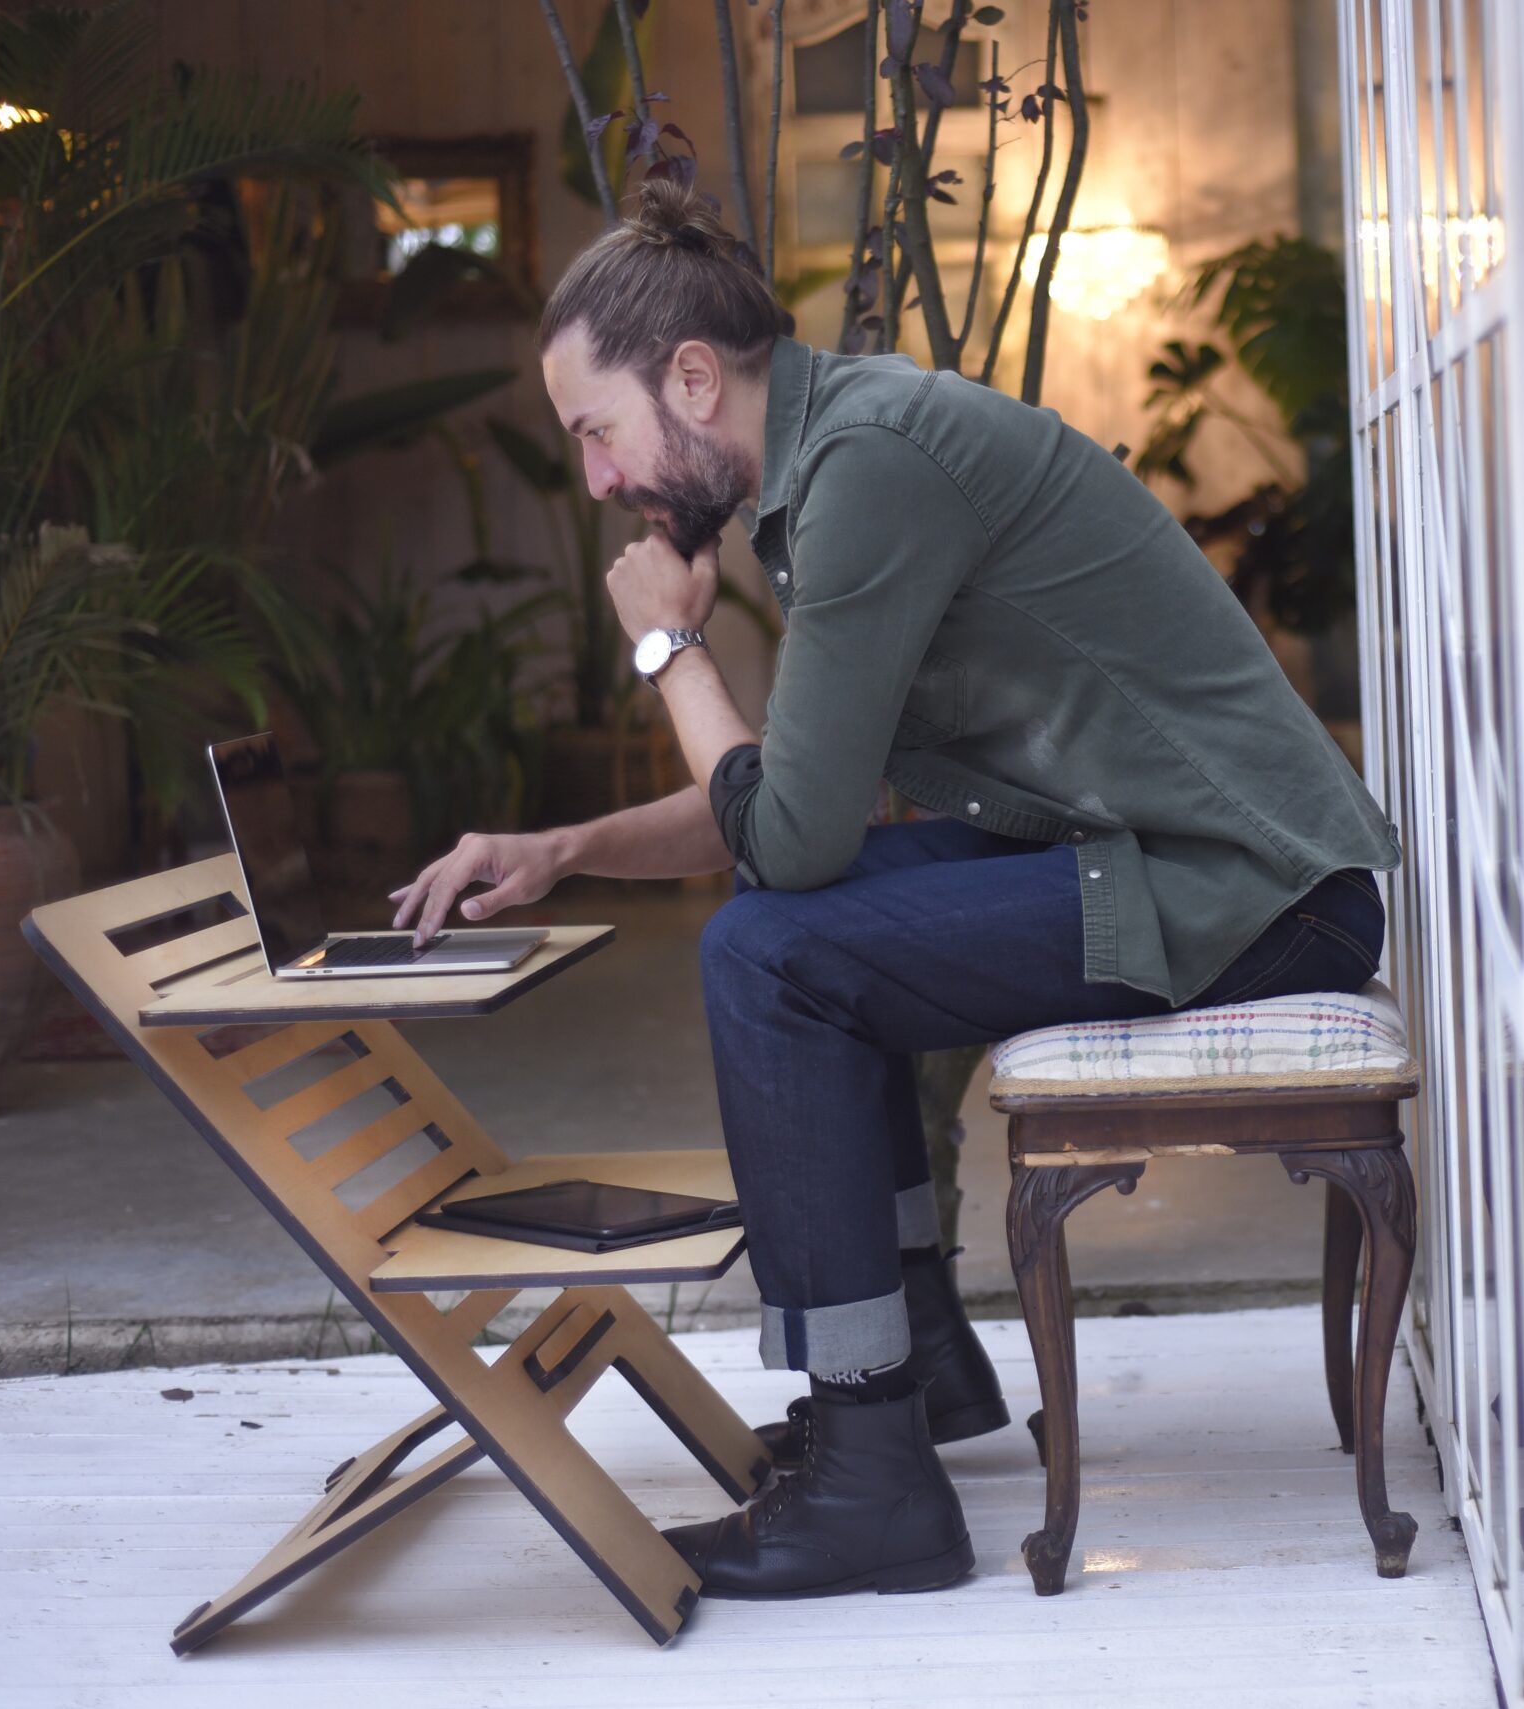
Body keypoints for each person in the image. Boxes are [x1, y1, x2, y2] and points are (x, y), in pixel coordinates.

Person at [386, 179, 1401, 1599]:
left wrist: (668, 655)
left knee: (767, 955)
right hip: (1165, 858)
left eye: (596, 430)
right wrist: (558, 850)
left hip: (1252, 889)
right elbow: (793, 804)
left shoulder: (869, 466)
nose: (601, 478)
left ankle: (874, 1473)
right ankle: (910, 1364)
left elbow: (784, 839)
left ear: (691, 378)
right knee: (786, 935)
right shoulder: (845, 457)